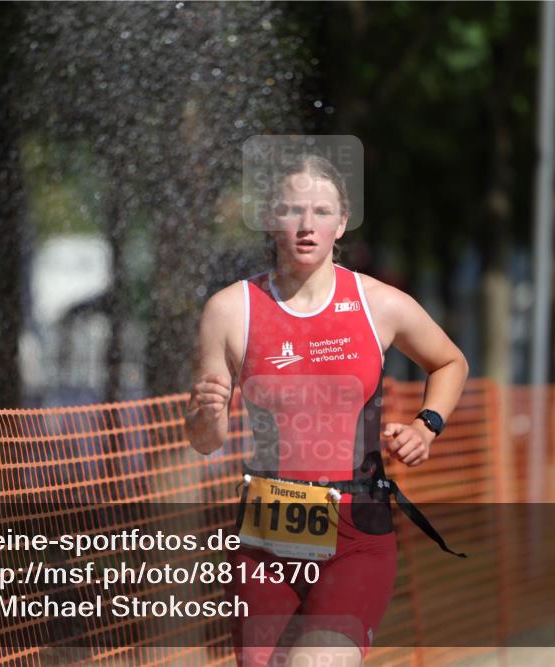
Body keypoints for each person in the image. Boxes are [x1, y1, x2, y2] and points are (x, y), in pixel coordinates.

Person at [186, 154, 469, 666]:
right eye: (292, 211)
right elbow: (205, 440)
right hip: (267, 534)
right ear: (271, 219)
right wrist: (206, 413)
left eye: (320, 211)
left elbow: (449, 361)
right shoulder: (230, 310)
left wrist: (428, 427)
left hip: (356, 531)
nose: (306, 225)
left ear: (341, 223)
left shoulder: (377, 303)